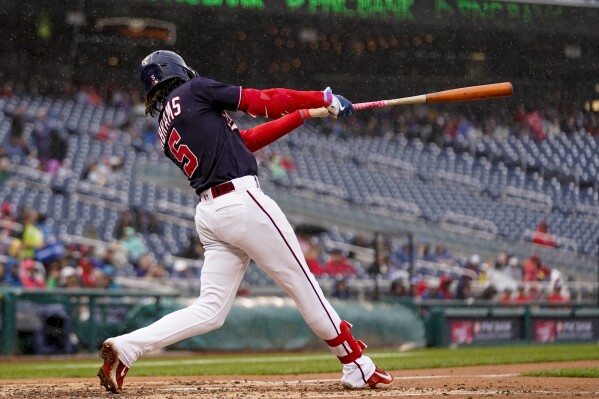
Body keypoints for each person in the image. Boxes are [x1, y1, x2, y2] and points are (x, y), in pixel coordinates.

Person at [97, 50, 393, 393]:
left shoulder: (165, 125)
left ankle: (127, 347)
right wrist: (321, 97)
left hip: (211, 214)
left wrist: (303, 114)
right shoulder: (194, 91)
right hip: (241, 201)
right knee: (302, 282)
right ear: (179, 70)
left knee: (210, 311)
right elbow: (263, 101)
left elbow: (244, 142)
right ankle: (356, 364)